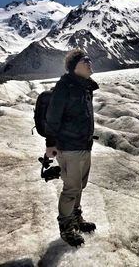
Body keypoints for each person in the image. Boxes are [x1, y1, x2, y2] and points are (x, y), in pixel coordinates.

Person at [45, 49, 99, 246]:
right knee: (71, 188)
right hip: (69, 147)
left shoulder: (84, 88)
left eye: (90, 59)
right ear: (74, 66)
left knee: (80, 186)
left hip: (84, 146)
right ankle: (66, 226)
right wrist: (50, 143)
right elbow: (53, 117)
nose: (90, 62)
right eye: (85, 60)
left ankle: (76, 218)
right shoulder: (65, 87)